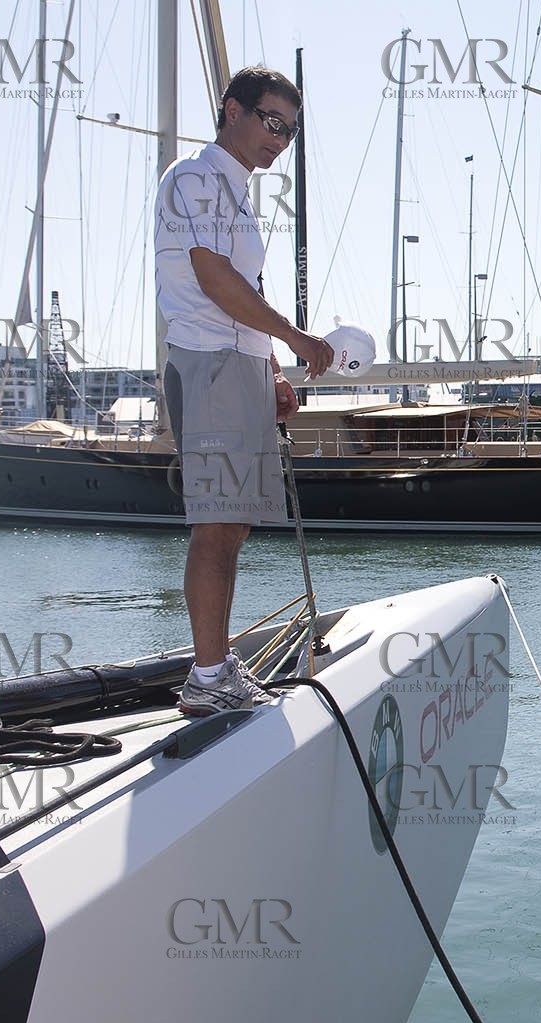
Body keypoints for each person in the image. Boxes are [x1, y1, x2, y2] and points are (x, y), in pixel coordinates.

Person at [154, 66, 334, 714]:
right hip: (210, 363)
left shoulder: (233, 191)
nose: (280, 138)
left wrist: (273, 369)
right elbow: (214, 279)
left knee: (229, 525)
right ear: (233, 110)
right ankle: (207, 678)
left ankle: (215, 669)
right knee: (214, 523)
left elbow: (239, 293)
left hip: (237, 363)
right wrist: (296, 338)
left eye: (290, 128)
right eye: (271, 120)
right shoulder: (196, 179)